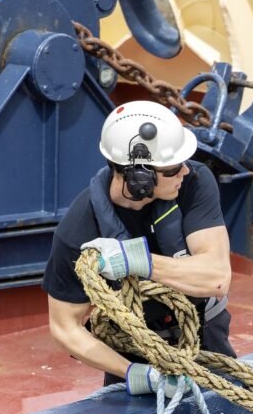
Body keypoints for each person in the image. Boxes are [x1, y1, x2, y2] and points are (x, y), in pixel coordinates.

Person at [42, 100, 234, 395]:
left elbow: (216, 277)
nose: (184, 171)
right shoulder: (79, 230)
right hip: (133, 348)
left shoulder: (194, 183)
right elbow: (64, 327)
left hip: (204, 336)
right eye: (171, 169)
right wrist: (135, 375)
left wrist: (136, 260)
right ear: (139, 177)